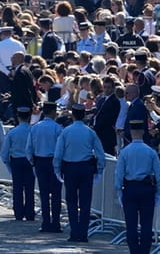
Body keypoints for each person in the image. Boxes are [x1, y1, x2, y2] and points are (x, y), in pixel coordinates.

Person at [53, 103, 106, 243]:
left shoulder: (66, 131)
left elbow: (58, 153)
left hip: (70, 168)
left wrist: (57, 169)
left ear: (72, 115)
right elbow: (100, 154)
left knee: (71, 201)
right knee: (85, 201)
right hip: (86, 168)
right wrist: (99, 170)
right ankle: (83, 233)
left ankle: (74, 232)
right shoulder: (90, 132)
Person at [115, 119, 160, 254]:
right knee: (146, 224)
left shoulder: (125, 152)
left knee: (130, 224)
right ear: (143, 132)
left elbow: (119, 175)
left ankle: (134, 251)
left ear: (131, 132)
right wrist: (159, 193)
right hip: (147, 188)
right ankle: (144, 251)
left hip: (130, 188)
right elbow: (159, 176)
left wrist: (119, 192)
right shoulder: (150, 152)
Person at [26, 101, 64, 233]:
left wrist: (32, 161)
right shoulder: (58, 128)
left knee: (44, 193)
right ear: (53, 112)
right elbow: (61, 148)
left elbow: (29, 148)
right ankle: (56, 223)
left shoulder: (35, 127)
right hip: (53, 161)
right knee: (56, 194)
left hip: (40, 161)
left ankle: (45, 222)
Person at [0, 107, 34, 220]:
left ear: (18, 117)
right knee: (30, 189)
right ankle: (30, 212)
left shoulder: (12, 132)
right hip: (30, 161)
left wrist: (8, 165)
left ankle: (18, 213)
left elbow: (4, 152)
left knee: (17, 188)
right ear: (29, 117)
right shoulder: (33, 131)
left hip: (16, 161)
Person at [94, 75, 120, 155]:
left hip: (107, 134)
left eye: (108, 87)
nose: (106, 89)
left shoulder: (115, 101)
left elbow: (110, 118)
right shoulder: (102, 99)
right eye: (104, 87)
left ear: (113, 88)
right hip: (98, 133)